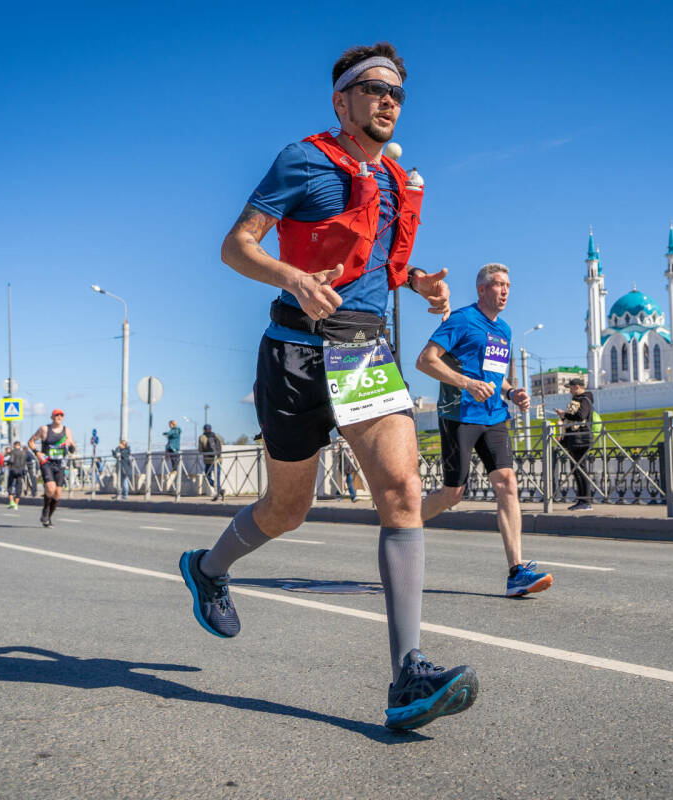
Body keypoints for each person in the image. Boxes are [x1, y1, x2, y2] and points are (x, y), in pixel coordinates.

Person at [177, 42, 476, 732]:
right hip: (293, 353)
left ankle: (409, 674)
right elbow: (238, 244)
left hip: (364, 350)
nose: (387, 101)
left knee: (401, 491)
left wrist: (421, 280)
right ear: (341, 102)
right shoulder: (301, 160)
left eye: (396, 93)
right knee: (287, 510)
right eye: (372, 89)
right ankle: (209, 568)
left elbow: (377, 263)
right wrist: (292, 277)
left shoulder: (400, 181)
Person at [416, 263, 553, 598]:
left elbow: (495, 374)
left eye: (508, 285)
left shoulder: (504, 329)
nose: (505, 290)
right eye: (498, 284)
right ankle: (403, 520)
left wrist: (511, 392)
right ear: (481, 289)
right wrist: (467, 383)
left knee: (507, 482)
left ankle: (516, 571)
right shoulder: (462, 320)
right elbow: (426, 360)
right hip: (459, 414)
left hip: (493, 415)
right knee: (453, 494)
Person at [28, 409, 76, 527]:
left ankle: (48, 517)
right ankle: (45, 510)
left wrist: (71, 446)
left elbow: (73, 447)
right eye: (56, 415)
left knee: (58, 494)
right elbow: (31, 442)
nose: (59, 417)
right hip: (47, 462)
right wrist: (37, 453)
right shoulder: (44, 429)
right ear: (52, 417)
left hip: (60, 464)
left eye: (61, 415)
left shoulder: (67, 431)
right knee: (50, 488)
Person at [556, 375, 595, 511]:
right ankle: (582, 500)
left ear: (577, 387)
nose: (569, 391)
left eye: (571, 388)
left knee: (581, 470)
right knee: (577, 470)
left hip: (581, 439)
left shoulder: (585, 400)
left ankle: (586, 501)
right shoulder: (578, 400)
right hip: (575, 439)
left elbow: (580, 416)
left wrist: (564, 415)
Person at [198, 424, 225, 500]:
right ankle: (219, 491)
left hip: (208, 460)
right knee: (218, 478)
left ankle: (219, 491)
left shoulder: (202, 437)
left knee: (208, 476)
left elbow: (200, 450)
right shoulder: (216, 436)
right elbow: (220, 446)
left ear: (204, 429)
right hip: (218, 460)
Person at [6, 440, 28, 509]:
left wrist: (7, 463)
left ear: (14, 445)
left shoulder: (13, 452)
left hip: (13, 470)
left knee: (10, 485)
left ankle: (11, 501)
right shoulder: (24, 453)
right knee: (19, 487)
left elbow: (11, 460)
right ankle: (16, 504)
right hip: (21, 471)